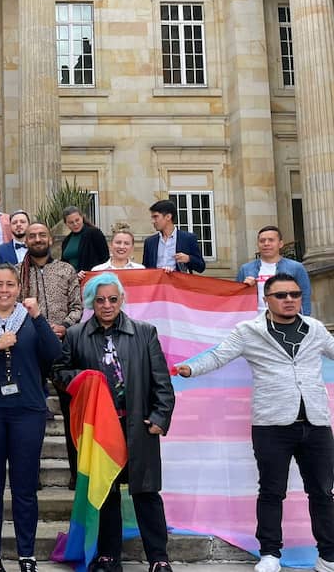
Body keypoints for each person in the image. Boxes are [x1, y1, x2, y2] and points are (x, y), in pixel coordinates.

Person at [176, 273, 333, 572]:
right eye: (281, 295)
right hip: (271, 425)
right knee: (272, 491)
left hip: (316, 424)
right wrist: (190, 369)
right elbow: (219, 356)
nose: (289, 300)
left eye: (294, 294)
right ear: (267, 300)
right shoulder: (250, 330)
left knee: (323, 491)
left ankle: (328, 555)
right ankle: (270, 553)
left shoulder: (314, 329)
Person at [54, 272, 176, 572]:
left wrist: (160, 417)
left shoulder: (145, 332)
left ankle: (159, 558)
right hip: (100, 428)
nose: (107, 305)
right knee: (105, 492)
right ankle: (108, 555)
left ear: (122, 300)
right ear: (90, 303)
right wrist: (83, 377)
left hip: (138, 426)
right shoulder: (75, 335)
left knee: (146, 493)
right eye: (100, 300)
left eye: (112, 299)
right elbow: (59, 373)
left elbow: (161, 382)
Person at [0, 264, 62, 572]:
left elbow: (54, 352)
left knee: (25, 486)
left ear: (19, 289)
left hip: (28, 410)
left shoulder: (30, 322)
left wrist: (39, 317)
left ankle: (26, 555)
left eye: (10, 285)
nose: (4, 290)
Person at [20, 222, 83, 485]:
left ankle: (76, 473)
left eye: (41, 235)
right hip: (30, 350)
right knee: (30, 414)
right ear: (26, 240)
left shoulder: (66, 270)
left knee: (72, 413)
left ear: (50, 239)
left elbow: (78, 307)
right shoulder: (17, 273)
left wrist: (64, 325)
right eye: (32, 235)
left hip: (62, 348)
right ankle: (29, 473)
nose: (37, 239)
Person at [236, 225, 311, 315]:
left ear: (280, 244)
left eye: (271, 240)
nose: (266, 244)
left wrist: (305, 320)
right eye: (262, 241)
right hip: (255, 321)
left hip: (286, 320)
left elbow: (305, 296)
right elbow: (237, 299)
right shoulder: (246, 269)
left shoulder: (296, 267)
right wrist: (245, 288)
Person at [142, 199, 205, 273]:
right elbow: (145, 269)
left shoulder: (188, 239)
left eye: (156, 217)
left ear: (168, 217)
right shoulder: (150, 242)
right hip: (157, 283)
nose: (153, 221)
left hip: (179, 283)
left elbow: (201, 267)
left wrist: (188, 259)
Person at [61, 205, 109, 280]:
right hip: (71, 281)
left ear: (82, 218)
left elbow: (105, 259)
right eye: (71, 222)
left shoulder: (94, 233)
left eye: (77, 220)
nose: (75, 224)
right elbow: (63, 264)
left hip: (91, 280)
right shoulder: (66, 240)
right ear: (66, 224)